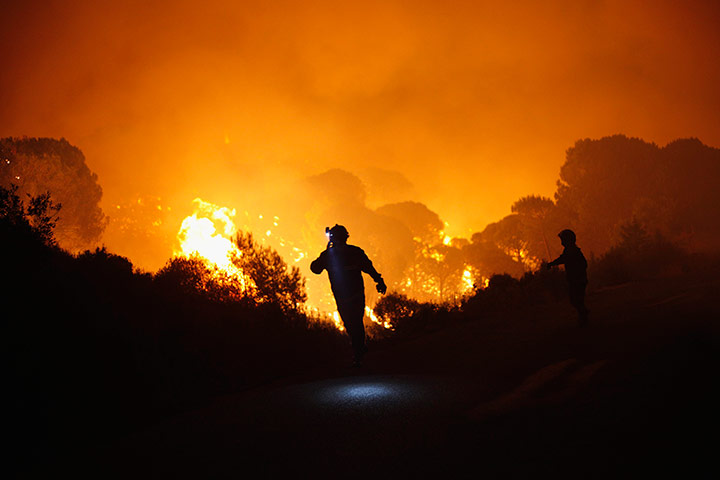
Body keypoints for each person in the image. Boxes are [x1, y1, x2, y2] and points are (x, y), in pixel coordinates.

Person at [311, 224, 387, 366]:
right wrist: (380, 281)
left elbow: (315, 269)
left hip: (342, 297)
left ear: (332, 238)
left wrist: (327, 250)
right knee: (357, 321)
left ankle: (358, 351)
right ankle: (360, 348)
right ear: (346, 237)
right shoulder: (356, 252)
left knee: (350, 323)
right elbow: (370, 268)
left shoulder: (328, 255)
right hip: (357, 294)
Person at [547, 229, 589, 326]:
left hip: (577, 280)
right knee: (577, 300)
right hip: (578, 279)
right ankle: (583, 315)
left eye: (562, 240)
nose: (561, 242)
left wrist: (551, 264)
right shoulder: (572, 250)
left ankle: (583, 317)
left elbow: (563, 259)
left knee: (575, 299)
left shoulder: (571, 251)